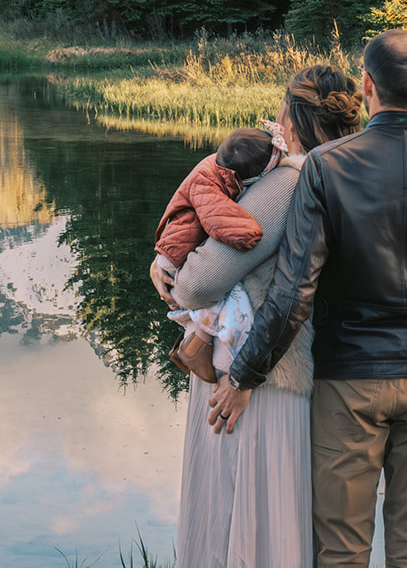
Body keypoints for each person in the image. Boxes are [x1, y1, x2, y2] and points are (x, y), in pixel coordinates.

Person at [208, 29, 407, 568]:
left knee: (340, 552)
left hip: (348, 383)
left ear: (367, 84)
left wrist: (244, 374)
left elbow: (293, 292)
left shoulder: (328, 167)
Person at [149, 65, 363, 568]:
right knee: (274, 522)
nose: (273, 118)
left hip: (251, 383)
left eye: (281, 109)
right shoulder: (343, 175)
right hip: (294, 369)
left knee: (237, 520)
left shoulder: (288, 183)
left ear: (294, 118)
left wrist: (174, 268)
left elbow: (204, 281)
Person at [154, 125, 279, 382]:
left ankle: (194, 346)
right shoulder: (208, 184)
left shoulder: (218, 166)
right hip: (175, 253)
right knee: (231, 301)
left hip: (178, 245)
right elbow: (219, 220)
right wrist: (250, 233)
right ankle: (198, 349)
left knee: (220, 295)